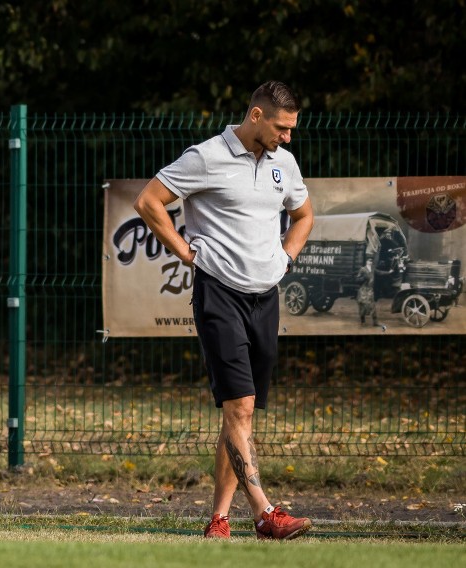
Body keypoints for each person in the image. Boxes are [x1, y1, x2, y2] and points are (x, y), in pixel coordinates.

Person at [134, 81, 315, 540]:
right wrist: (186, 253)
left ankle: (219, 519)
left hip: (265, 297)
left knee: (241, 413)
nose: (288, 137)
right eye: (281, 128)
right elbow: (149, 201)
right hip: (220, 294)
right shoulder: (206, 156)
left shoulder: (284, 164)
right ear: (255, 116)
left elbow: (304, 215)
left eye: (292, 130)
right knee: (240, 404)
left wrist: (286, 258)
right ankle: (264, 513)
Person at [356, 257, 379, 326]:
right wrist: (363, 278)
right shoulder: (363, 269)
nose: (370, 262)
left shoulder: (373, 269)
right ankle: (362, 321)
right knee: (362, 306)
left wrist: (389, 272)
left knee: (372, 306)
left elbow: (380, 272)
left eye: (371, 261)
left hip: (370, 290)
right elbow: (357, 279)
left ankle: (375, 323)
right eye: (369, 261)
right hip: (363, 290)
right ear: (366, 262)